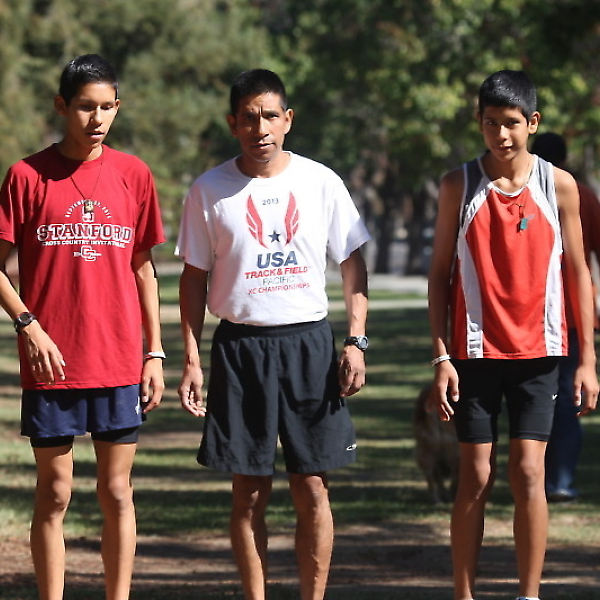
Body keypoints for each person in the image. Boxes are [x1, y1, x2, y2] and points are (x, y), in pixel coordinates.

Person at [176, 68, 370, 600]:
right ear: (232, 124)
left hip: (309, 346)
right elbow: (193, 279)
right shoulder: (209, 190)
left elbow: (352, 263)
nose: (259, 129)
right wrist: (191, 358)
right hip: (240, 350)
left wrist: (356, 340)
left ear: (287, 119)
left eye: (269, 116)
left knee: (313, 489)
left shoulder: (320, 181)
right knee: (248, 493)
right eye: (248, 118)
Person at [428, 70, 599, 600]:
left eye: (510, 123)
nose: (500, 135)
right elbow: (439, 276)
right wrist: (441, 356)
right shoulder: (458, 186)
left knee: (529, 472)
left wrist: (588, 359)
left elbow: (579, 272)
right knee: (475, 475)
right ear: (478, 122)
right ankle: (464, 593)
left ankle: (529, 594)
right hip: (474, 353)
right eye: (489, 123)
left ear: (533, 123)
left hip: (541, 353)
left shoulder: (559, 186)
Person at [0, 54, 165, 600]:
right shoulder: (26, 176)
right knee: (54, 493)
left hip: (118, 360)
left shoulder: (134, 174)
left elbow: (143, 268)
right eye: (85, 107)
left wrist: (155, 353)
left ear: (118, 107)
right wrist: (29, 325)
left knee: (117, 491)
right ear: (61, 106)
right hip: (51, 365)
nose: (97, 119)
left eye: (107, 107)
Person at [531, 131, 600, 502]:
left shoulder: (526, 192)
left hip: (534, 316)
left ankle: (538, 478)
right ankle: (559, 479)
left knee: (536, 399)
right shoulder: (584, 194)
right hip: (573, 315)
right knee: (566, 399)